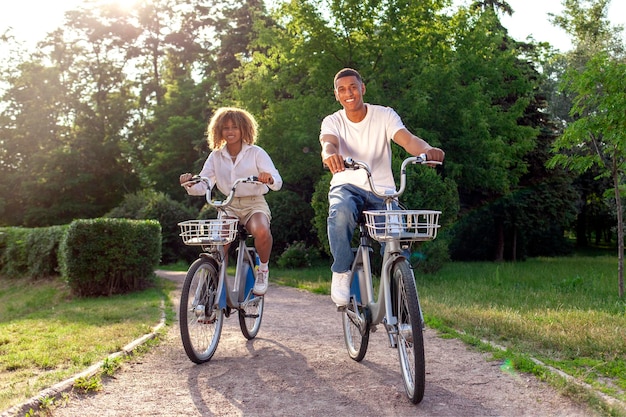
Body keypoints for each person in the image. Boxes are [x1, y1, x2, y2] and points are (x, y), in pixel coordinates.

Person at [319, 68, 445, 307]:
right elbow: (328, 143)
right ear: (336, 94)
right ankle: (341, 272)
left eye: (353, 87)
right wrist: (330, 156)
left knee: (396, 240)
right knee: (341, 211)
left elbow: (407, 139)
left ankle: (402, 299)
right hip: (347, 185)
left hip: (383, 192)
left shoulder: (384, 115)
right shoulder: (332, 121)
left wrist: (426, 150)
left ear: (362, 88)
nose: (349, 93)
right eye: (342, 89)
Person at [180, 107, 282, 295]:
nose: (230, 131)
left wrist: (268, 178)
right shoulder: (216, 156)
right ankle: (213, 286)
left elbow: (277, 181)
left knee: (261, 230)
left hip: (254, 203)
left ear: (244, 129)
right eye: (226, 128)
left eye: (235, 127)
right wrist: (189, 183)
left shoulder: (256, 153)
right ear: (219, 131)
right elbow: (204, 185)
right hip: (229, 206)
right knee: (219, 245)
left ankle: (263, 270)